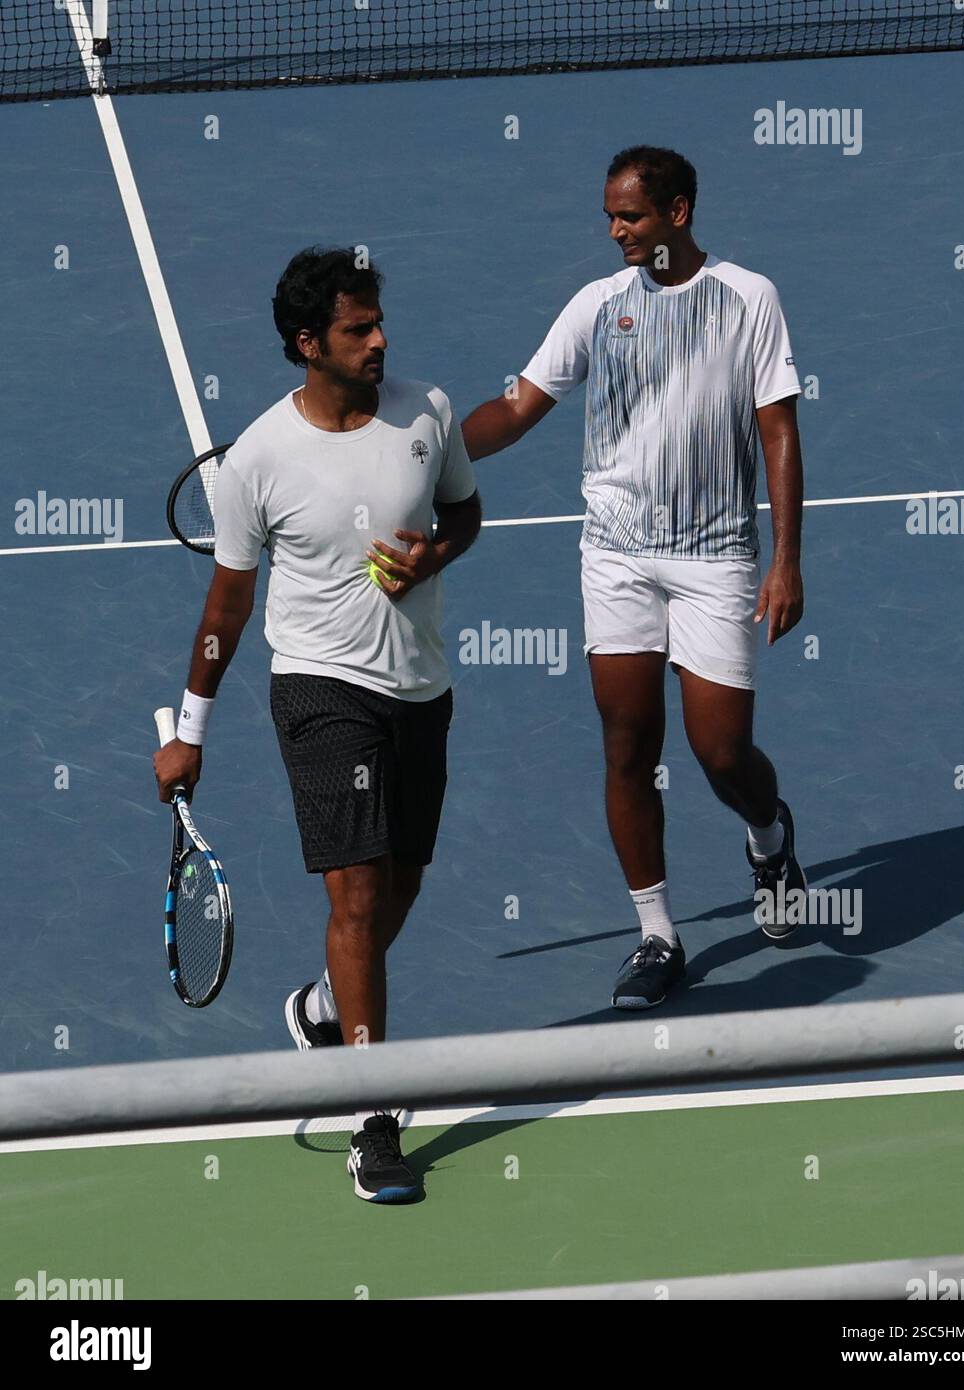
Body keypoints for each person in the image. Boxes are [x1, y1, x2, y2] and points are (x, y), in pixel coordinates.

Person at [153, 247, 481, 1201]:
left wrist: (434, 555)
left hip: (421, 688)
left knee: (400, 887)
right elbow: (226, 611)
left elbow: (465, 513)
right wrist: (190, 731)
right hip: (319, 688)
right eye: (356, 329)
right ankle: (372, 1121)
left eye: (379, 324)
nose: (379, 340)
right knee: (355, 896)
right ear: (308, 343)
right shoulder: (258, 459)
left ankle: (329, 1006)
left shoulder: (430, 413)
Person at [461, 146, 807, 1010]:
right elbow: (516, 407)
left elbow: (777, 432)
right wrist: (420, 447)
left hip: (715, 556)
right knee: (627, 746)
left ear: (679, 212)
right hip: (614, 554)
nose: (617, 231)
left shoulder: (748, 299)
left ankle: (769, 834)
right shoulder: (597, 306)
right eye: (611, 217)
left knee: (720, 751)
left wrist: (787, 560)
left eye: (633, 217)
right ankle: (657, 934)